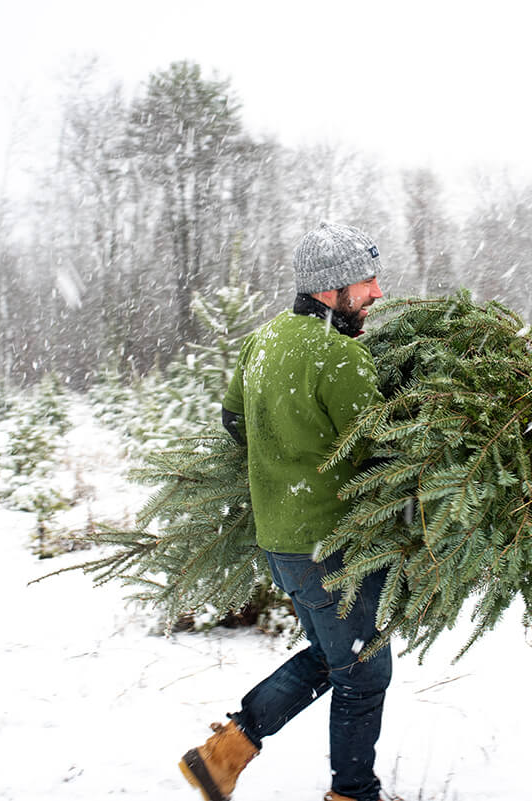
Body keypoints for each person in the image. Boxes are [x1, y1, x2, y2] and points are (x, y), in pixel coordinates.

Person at [178, 222, 399, 801]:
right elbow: (381, 449)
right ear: (332, 288)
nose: (377, 294)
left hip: (283, 541)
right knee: (364, 670)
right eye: (366, 281)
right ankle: (353, 794)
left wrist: (285, 461)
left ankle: (222, 756)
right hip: (332, 545)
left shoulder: (263, 341)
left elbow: (233, 422)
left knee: (336, 657)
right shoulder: (339, 356)